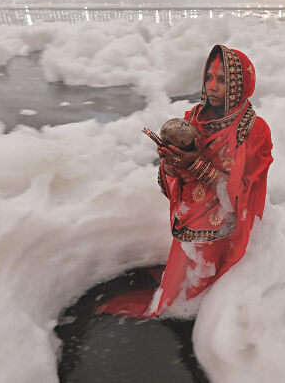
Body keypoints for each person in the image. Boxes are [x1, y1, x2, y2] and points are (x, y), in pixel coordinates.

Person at [99, 44, 273, 318]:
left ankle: (203, 303)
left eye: (224, 80)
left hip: (226, 226)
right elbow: (174, 186)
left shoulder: (253, 129)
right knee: (178, 282)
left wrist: (196, 164)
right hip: (190, 219)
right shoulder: (193, 118)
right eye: (209, 77)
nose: (213, 86)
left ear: (241, 84)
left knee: (206, 285)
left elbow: (243, 192)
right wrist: (171, 161)